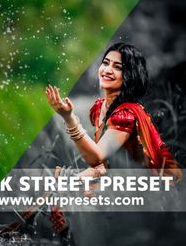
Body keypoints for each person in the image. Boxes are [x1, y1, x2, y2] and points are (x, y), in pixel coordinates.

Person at [46, 42, 182, 181]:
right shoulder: (100, 107)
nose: (107, 70)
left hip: (157, 187)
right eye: (105, 63)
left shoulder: (126, 114)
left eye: (117, 67)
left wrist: (69, 118)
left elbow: (97, 157)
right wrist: (71, 178)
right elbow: (100, 166)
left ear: (130, 76)